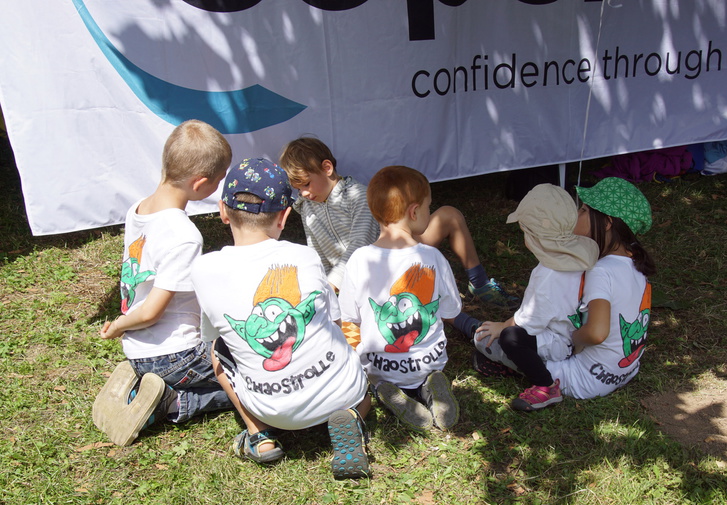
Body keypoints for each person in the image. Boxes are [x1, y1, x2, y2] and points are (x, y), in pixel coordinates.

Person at [191, 157, 371, 479]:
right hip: (342, 392)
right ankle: (354, 416)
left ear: (222, 211)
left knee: (216, 349)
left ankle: (259, 435)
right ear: (285, 217)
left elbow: (214, 334)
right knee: (361, 392)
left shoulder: (203, 270)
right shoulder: (304, 256)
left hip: (274, 412)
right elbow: (334, 319)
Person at [93, 119, 234, 446]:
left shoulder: (138, 210)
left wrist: (124, 328)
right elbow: (152, 312)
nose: (218, 187)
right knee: (256, 376)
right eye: (218, 181)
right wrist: (118, 326)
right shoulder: (183, 235)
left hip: (137, 351)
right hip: (177, 355)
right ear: (200, 184)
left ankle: (141, 385)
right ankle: (174, 402)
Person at [278, 136, 517, 310]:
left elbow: (359, 244)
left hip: (393, 258)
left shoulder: (357, 196)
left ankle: (480, 284)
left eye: (306, 184)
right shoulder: (307, 206)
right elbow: (316, 252)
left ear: (327, 168)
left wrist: (331, 285)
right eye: (298, 189)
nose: (303, 193)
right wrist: (322, 285)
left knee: (450, 215)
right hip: (359, 281)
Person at [494, 177, 655, 410]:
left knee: (502, 341)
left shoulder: (600, 271)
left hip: (584, 379)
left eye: (583, 210)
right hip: (623, 371)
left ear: (607, 223)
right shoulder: (635, 264)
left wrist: (573, 342)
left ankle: (543, 387)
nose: (576, 215)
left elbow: (597, 333)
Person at [338, 165, 462, 433]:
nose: (429, 211)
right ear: (414, 212)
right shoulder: (432, 257)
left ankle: (385, 389)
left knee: (378, 380)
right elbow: (451, 309)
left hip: (380, 367)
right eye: (429, 207)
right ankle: (432, 382)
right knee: (431, 371)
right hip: (430, 360)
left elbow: (349, 317)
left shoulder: (359, 260)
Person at [473, 184, 599, 385]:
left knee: (494, 339)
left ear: (532, 235)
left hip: (558, 343)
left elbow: (529, 322)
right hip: (573, 335)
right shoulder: (581, 255)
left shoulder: (546, 274)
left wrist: (502, 326)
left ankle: (544, 381)